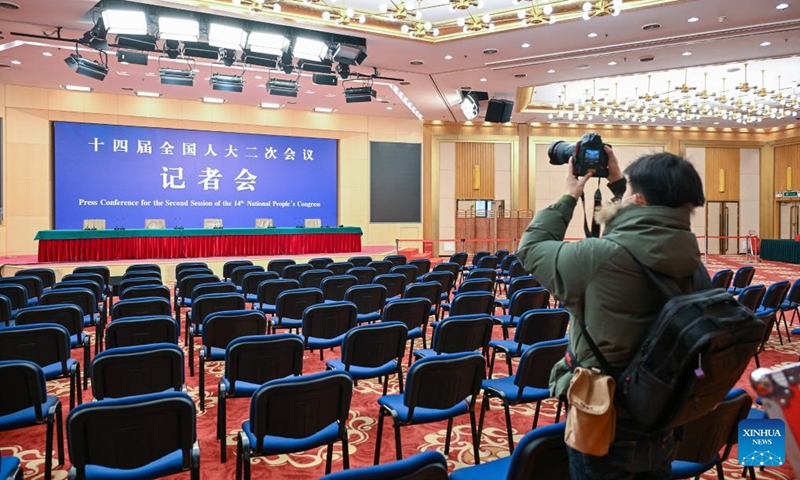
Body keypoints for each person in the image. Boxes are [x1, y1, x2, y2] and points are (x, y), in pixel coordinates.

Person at [516, 146, 706, 479]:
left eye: (630, 190)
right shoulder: (692, 261)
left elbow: (531, 247)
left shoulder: (599, 258)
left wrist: (569, 197)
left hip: (606, 421)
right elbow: (642, 232)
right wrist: (620, 184)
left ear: (640, 201)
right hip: (663, 412)